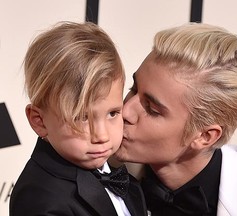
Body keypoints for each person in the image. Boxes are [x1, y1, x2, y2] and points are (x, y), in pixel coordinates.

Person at [115, 22, 237, 216]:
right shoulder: (91, 170)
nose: (125, 110)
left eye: (152, 109)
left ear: (205, 136)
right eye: (134, 88)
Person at [10, 21, 147, 216]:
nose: (101, 136)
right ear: (39, 121)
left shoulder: (124, 176)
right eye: (82, 118)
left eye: (112, 113)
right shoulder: (39, 197)